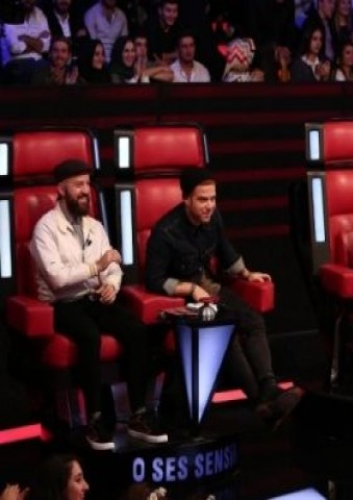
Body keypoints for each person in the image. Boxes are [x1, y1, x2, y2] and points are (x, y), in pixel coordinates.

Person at [145, 168, 302, 424]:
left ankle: (268, 388)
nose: (209, 206)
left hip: (211, 289)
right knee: (227, 331)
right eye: (202, 200)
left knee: (253, 320)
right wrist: (191, 289)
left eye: (213, 199)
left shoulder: (213, 218)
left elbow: (225, 250)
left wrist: (247, 273)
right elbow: (155, 280)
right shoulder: (165, 231)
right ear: (186, 199)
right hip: (182, 301)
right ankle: (260, 401)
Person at [30, 160, 166, 451]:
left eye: (87, 184)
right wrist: (97, 267)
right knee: (89, 335)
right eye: (78, 185)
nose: (85, 191)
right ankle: (94, 420)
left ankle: (138, 415)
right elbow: (57, 279)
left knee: (137, 330)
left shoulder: (94, 225)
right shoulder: (45, 228)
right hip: (62, 304)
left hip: (94, 298)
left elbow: (113, 265)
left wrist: (112, 285)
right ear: (61, 189)